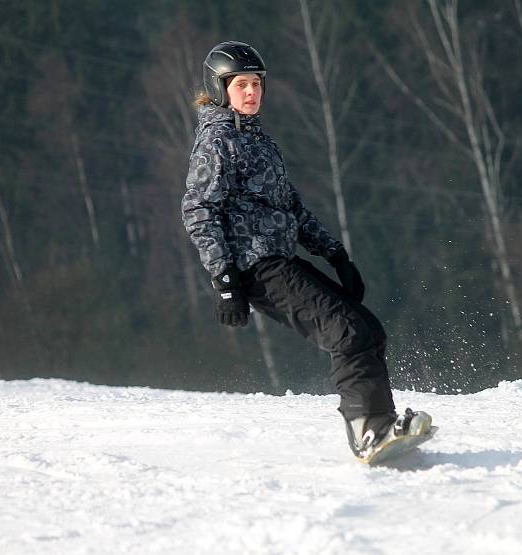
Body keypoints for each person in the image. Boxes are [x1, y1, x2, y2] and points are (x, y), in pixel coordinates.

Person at [181, 41, 431, 458]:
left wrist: (335, 255)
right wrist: (224, 279)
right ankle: (367, 431)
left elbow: (291, 207)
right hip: (254, 267)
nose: (252, 92)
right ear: (220, 87)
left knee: (366, 328)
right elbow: (198, 210)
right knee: (345, 332)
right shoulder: (217, 142)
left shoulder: (258, 142)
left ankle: (380, 424)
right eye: (241, 84)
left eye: (257, 83)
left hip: (280, 259)